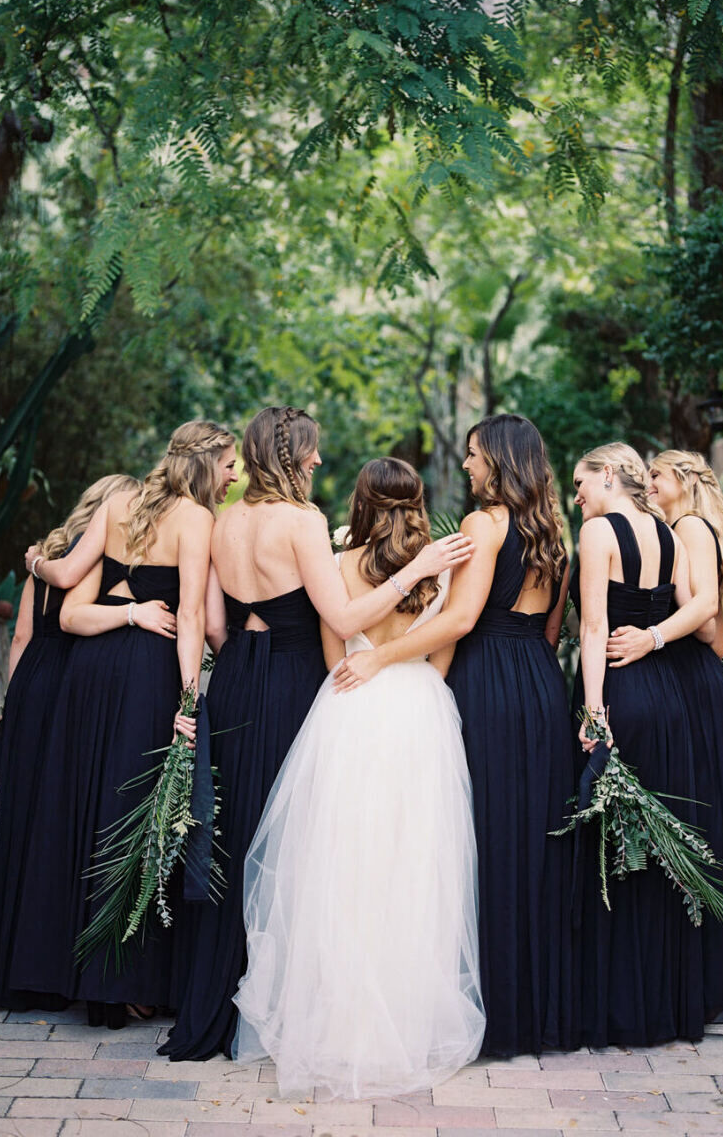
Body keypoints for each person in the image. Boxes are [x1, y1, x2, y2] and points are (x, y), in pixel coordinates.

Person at [161, 406, 474, 1061]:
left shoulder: (223, 521)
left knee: (235, 830)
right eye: (312, 451)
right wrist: (415, 572)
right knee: (292, 846)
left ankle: (209, 1002)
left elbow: (216, 623)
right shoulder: (302, 522)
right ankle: (282, 1003)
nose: (319, 462)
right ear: (290, 454)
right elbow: (343, 613)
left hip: (238, 677)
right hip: (290, 681)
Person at [233, 457, 484, 1098]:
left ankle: (337, 1024)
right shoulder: (440, 561)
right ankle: (408, 1022)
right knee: (414, 867)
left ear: (362, 503)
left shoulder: (343, 562)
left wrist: (367, 664)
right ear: (418, 502)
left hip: (349, 708)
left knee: (341, 865)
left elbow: (330, 653)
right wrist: (416, 685)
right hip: (423, 709)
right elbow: (444, 650)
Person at [334, 414, 576, 1057]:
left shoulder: (483, 525)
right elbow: (552, 629)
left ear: (497, 459)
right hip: (540, 684)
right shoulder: (553, 529)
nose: (466, 467)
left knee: (483, 844)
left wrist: (381, 659)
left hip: (489, 684)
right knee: (534, 843)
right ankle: (540, 1013)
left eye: (473, 456)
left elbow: (462, 619)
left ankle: (490, 1013)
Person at [5, 421, 237, 1026]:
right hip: (144, 673)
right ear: (208, 464)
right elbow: (189, 615)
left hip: (88, 669)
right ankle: (116, 980)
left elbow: (64, 578)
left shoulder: (115, 502)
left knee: (76, 802)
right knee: (126, 810)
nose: (232, 474)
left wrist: (35, 560)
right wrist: (189, 701)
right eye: (230, 463)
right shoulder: (195, 519)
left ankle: (55, 968)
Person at [0, 474, 178, 1010]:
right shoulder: (96, 564)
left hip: (34, 685)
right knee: (69, 823)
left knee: (30, 827)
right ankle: (64, 964)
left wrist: (11, 708)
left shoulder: (49, 561)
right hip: (78, 690)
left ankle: (15, 962)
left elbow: (21, 636)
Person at [605, 449, 723, 1029]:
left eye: (658, 476)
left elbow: (703, 610)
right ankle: (706, 986)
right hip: (690, 681)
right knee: (706, 828)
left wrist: (648, 638)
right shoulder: (673, 531)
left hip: (696, 681)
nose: (648, 483)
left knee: (710, 831)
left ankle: (718, 991)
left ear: (684, 483)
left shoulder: (691, 527)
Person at [570, 441, 710, 1046]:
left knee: (613, 853)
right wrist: (654, 639)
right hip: (667, 697)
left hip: (621, 693)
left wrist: (594, 711)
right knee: (657, 851)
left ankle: (616, 1010)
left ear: (606, 476)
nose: (576, 495)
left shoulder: (599, 532)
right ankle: (667, 1007)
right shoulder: (668, 534)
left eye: (580, 482)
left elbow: (594, 626)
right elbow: (694, 610)